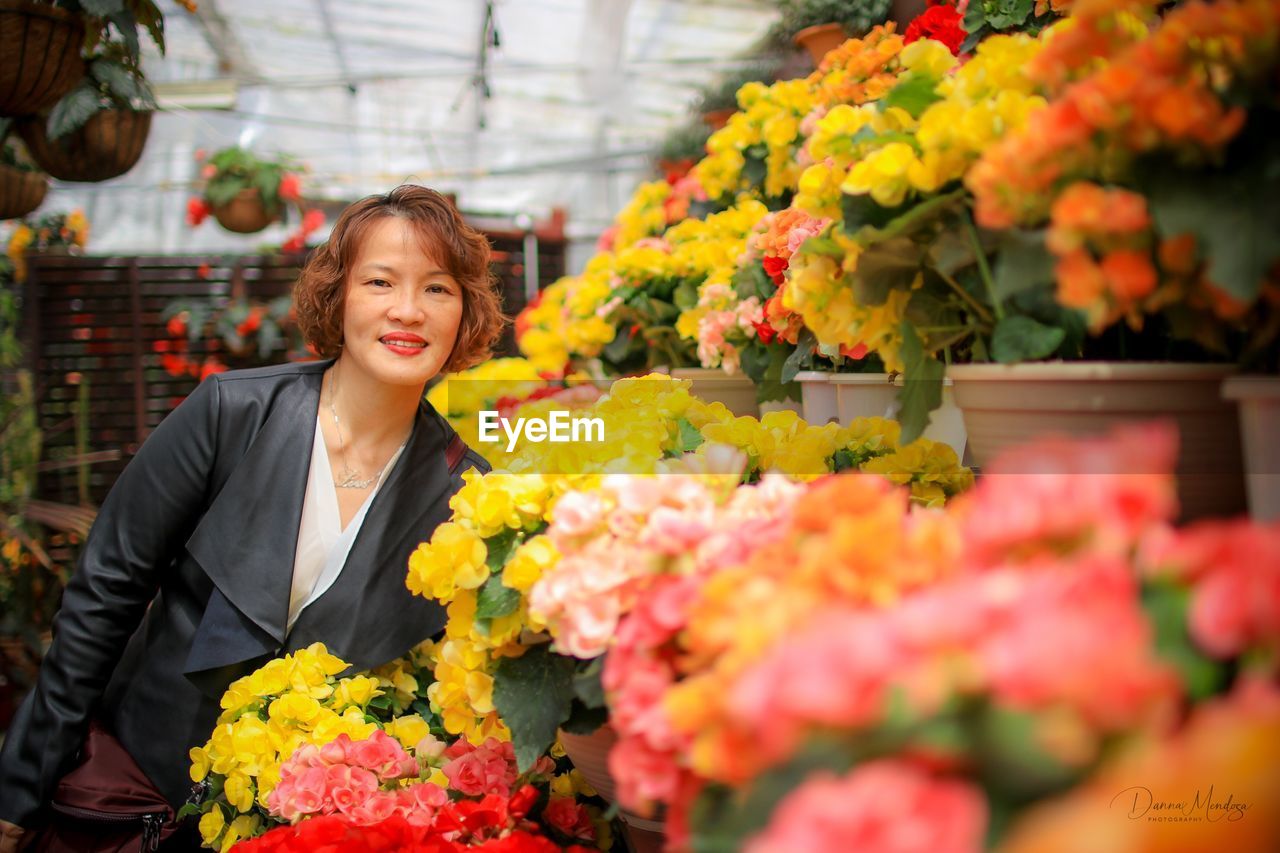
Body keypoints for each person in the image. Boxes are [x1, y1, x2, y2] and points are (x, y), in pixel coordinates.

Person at [0, 185, 505, 851]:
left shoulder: (467, 491)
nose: (408, 310)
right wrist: (19, 787)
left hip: (309, 827)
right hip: (143, 797)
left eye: (438, 289)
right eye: (380, 281)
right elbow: (105, 593)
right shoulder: (230, 414)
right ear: (338, 294)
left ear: (465, 312)